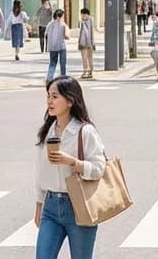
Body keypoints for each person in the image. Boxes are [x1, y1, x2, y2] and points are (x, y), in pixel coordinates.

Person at [35, 76, 106, 259]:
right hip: (50, 207)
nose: (49, 101)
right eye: (48, 96)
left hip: (79, 206)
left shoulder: (85, 131)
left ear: (69, 101)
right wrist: (39, 205)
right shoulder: (48, 132)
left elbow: (99, 167)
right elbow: (41, 172)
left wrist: (73, 162)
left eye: (55, 96)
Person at [46, 9, 69, 82]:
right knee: (63, 64)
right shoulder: (62, 24)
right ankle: (63, 78)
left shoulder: (49, 24)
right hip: (61, 46)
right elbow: (67, 36)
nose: (63, 18)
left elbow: (46, 34)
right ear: (59, 17)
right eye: (62, 16)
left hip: (52, 47)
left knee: (52, 63)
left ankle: (49, 78)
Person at [77, 7, 96, 80]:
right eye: (82, 15)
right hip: (83, 42)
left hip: (89, 42)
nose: (82, 16)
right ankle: (85, 70)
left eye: (84, 15)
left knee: (89, 57)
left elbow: (91, 32)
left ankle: (90, 71)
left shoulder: (90, 21)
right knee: (84, 58)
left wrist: (93, 43)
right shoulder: (81, 21)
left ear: (87, 15)